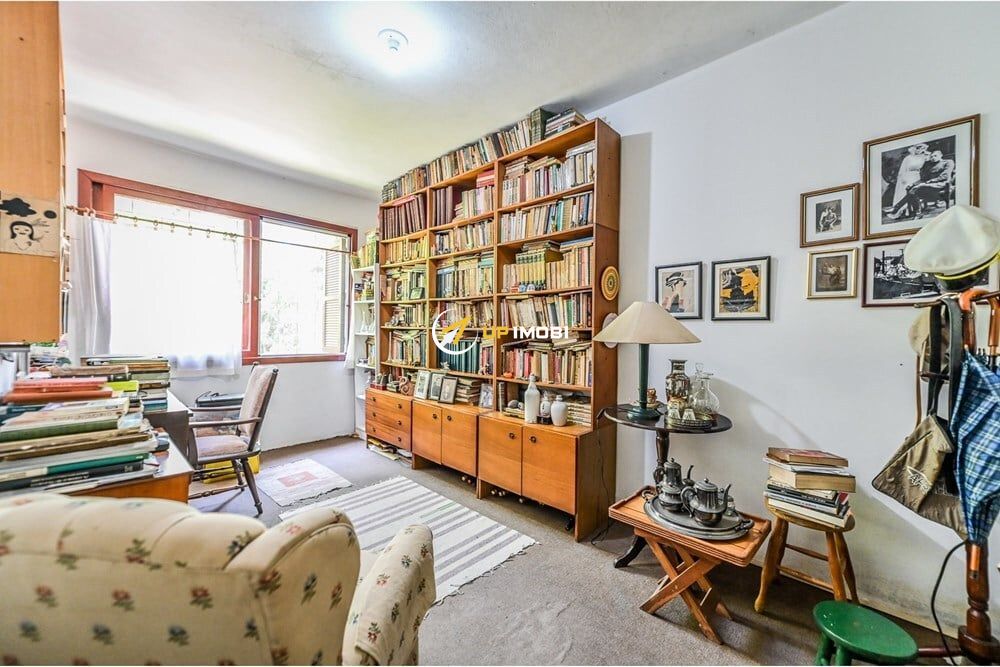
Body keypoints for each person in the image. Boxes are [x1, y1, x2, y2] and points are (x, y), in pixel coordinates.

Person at [887, 149, 955, 220]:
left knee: (915, 189)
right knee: (911, 189)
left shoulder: (948, 162)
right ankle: (917, 213)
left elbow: (945, 176)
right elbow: (924, 178)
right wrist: (913, 184)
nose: (933, 158)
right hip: (930, 185)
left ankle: (897, 208)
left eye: (935, 156)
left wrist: (929, 181)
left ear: (941, 155)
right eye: (931, 156)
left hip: (941, 184)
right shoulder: (930, 165)